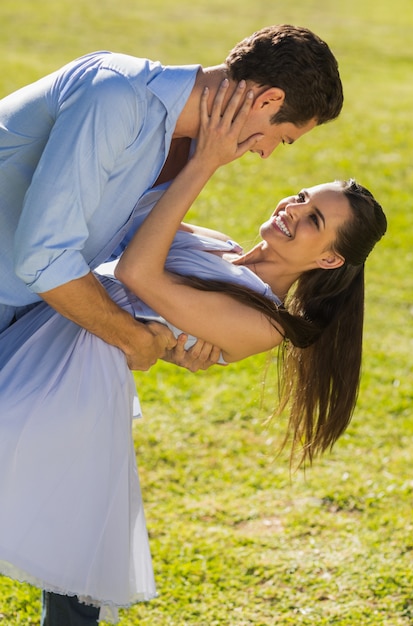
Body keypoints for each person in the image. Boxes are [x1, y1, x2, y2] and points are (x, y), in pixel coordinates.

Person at [0, 83, 386, 625]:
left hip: (65, 386)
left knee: (72, 575)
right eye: (303, 197)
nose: (293, 211)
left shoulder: (263, 321)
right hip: (43, 337)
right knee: (68, 563)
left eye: (314, 221)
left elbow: (137, 271)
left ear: (327, 260)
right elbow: (123, 227)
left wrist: (205, 163)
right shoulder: (223, 247)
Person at [0, 24, 344, 373]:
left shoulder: (199, 148)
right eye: (282, 138)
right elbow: (43, 256)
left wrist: (178, 333)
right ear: (268, 100)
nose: (267, 152)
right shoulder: (114, 96)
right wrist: (131, 337)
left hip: (26, 316)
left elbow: (109, 244)